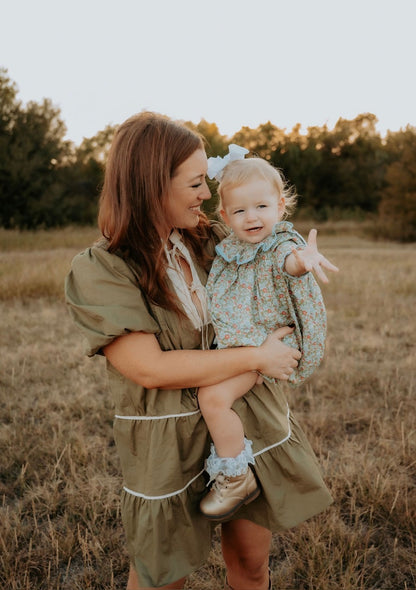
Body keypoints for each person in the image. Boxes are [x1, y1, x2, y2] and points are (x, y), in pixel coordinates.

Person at [65, 112, 334, 590]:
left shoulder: (213, 241)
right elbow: (148, 368)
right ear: (152, 186)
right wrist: (256, 357)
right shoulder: (102, 269)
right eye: (195, 184)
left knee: (251, 565)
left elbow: (272, 244)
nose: (207, 195)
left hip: (242, 418)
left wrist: (296, 257)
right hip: (166, 440)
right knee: (161, 579)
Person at [197, 147, 339, 522]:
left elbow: (288, 264)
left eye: (261, 207)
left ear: (280, 206)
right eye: (240, 211)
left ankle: (235, 476)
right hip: (240, 344)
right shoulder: (231, 249)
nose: (252, 217)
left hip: (264, 346)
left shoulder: (280, 245)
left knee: (212, 398)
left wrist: (302, 262)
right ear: (225, 216)